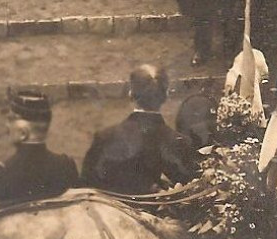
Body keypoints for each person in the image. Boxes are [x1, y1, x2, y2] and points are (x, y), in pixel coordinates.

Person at [81, 65, 195, 194]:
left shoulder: (105, 137)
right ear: (166, 95)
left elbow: (87, 187)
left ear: (131, 93)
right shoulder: (180, 143)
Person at [0, 89, 80, 205]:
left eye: (11, 120)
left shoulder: (1, 174)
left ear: (23, 133)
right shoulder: (66, 165)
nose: (7, 126)